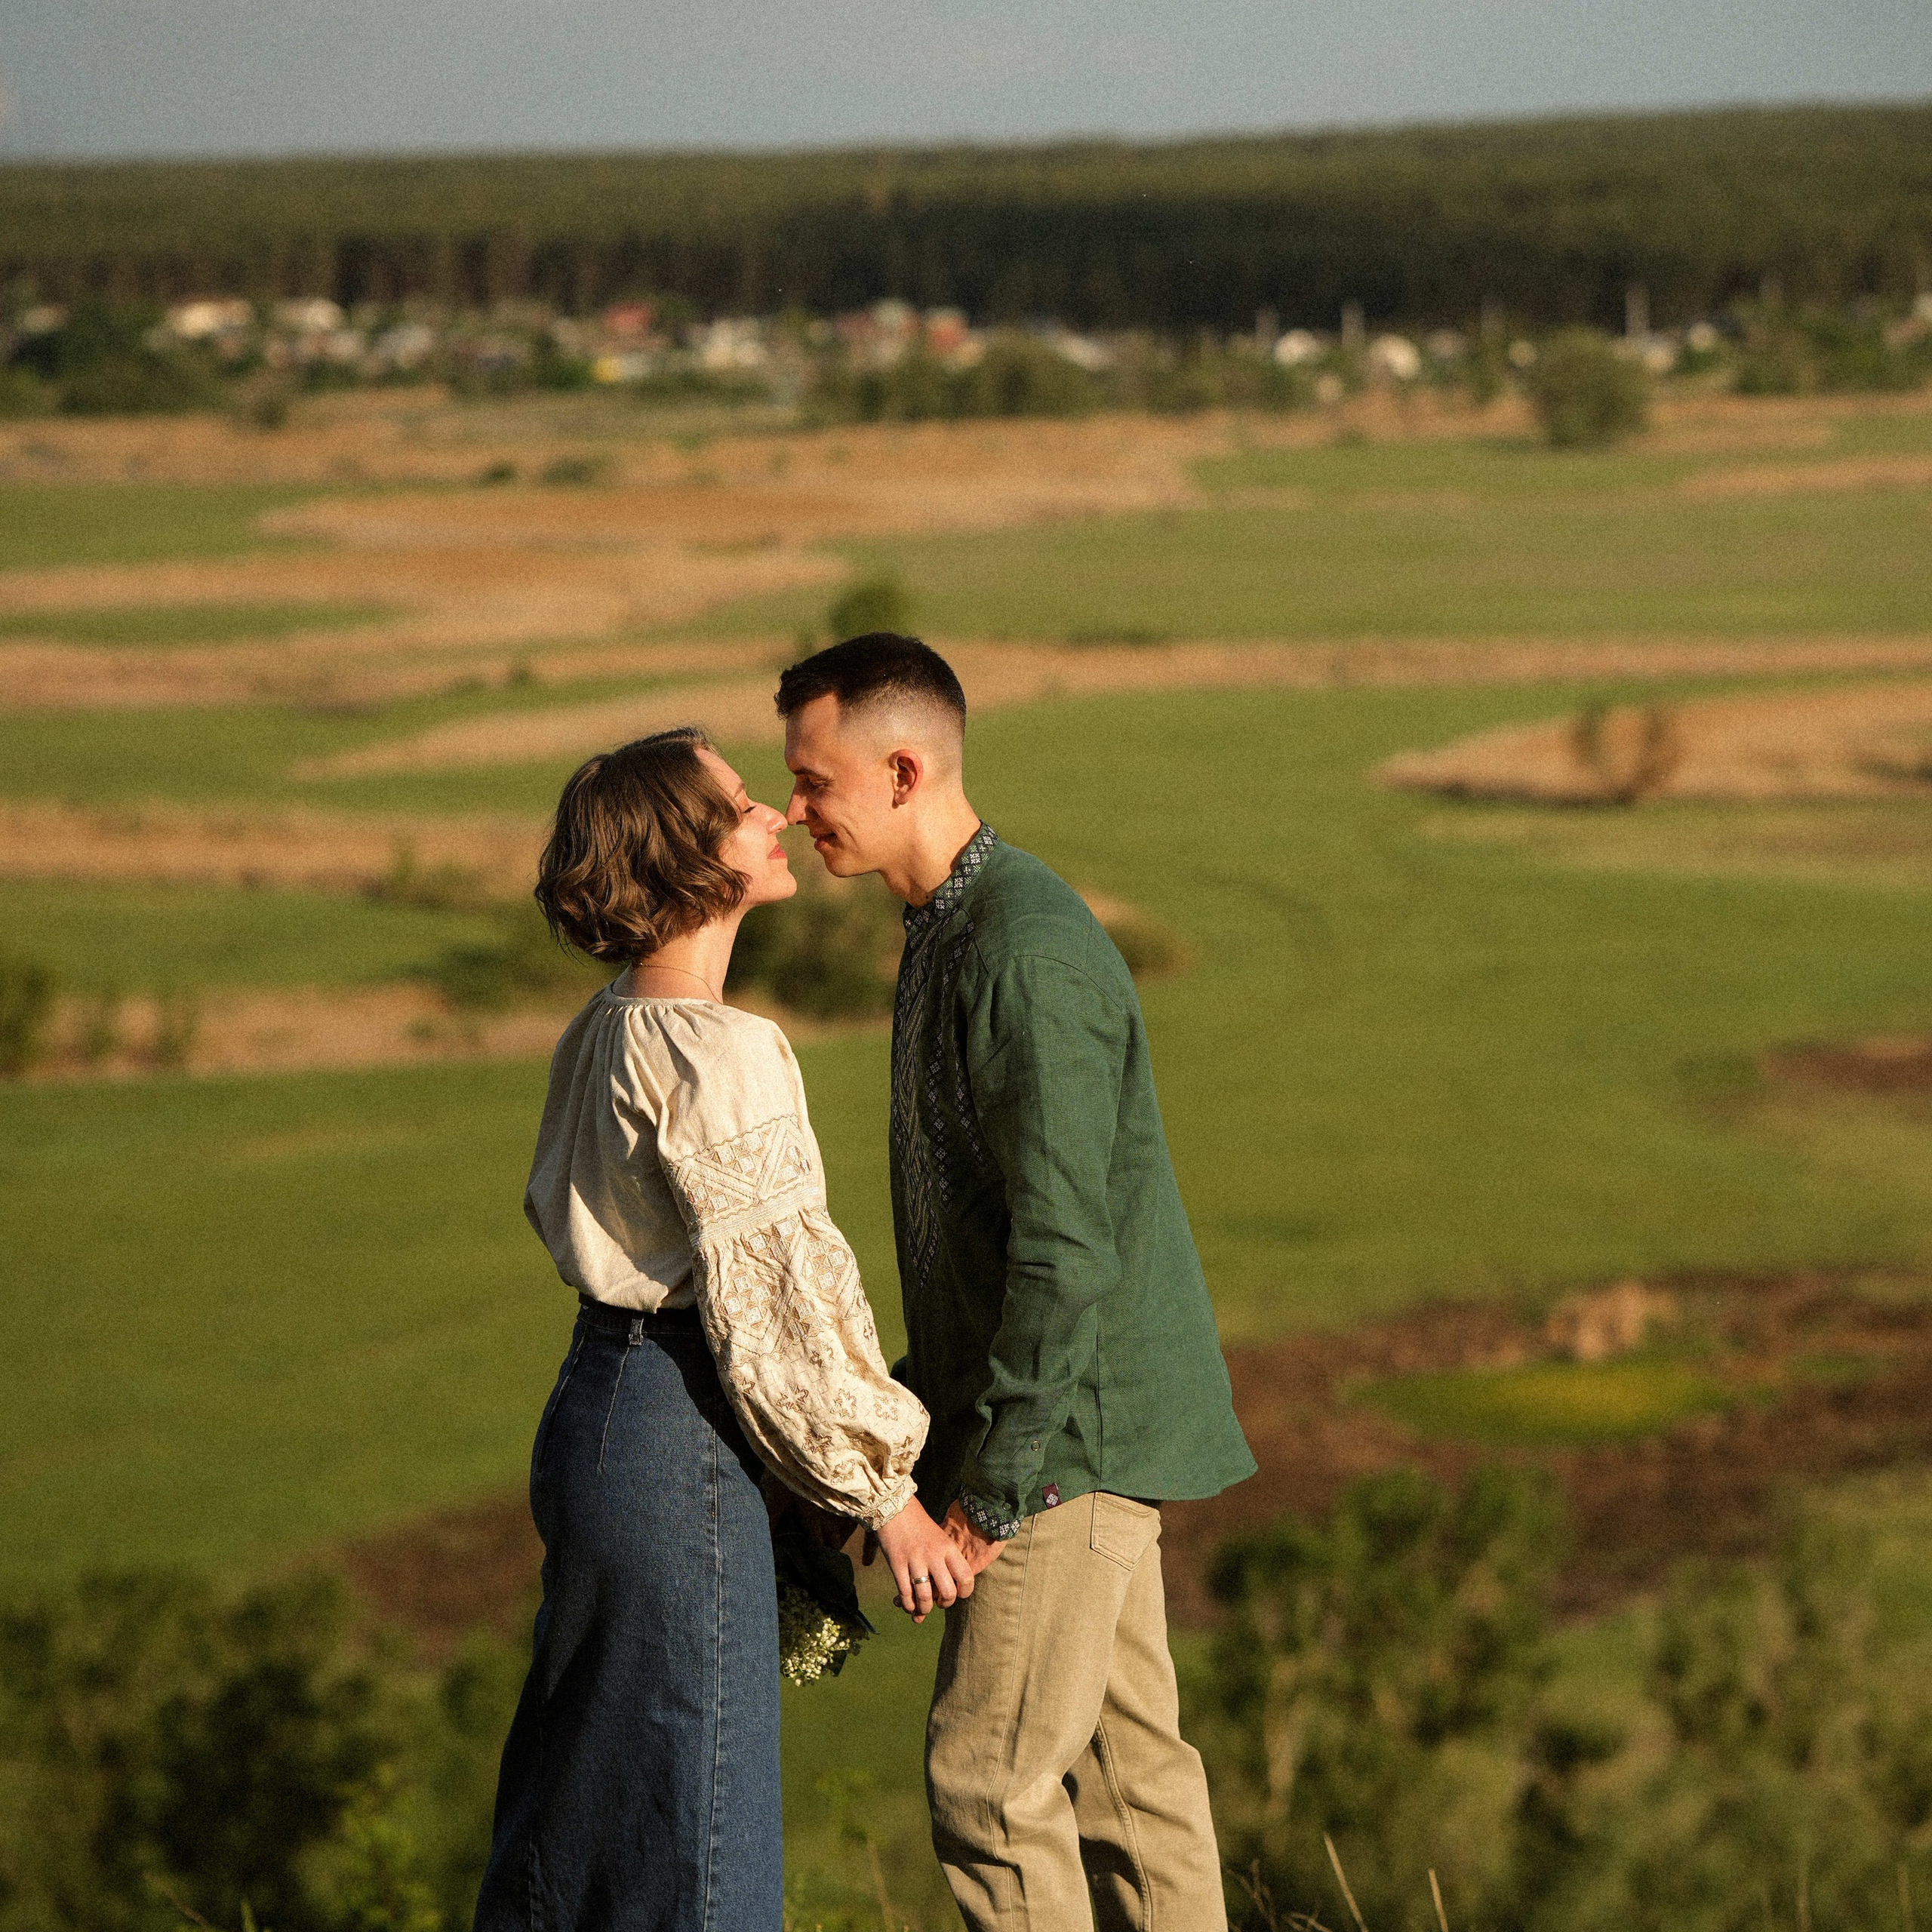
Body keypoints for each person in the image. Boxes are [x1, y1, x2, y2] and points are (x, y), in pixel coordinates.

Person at [778, 636, 1257, 1931]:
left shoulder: (1021, 952)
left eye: (815, 782)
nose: (796, 810)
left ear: (902, 770)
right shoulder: (951, 929)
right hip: (1059, 1434)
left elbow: (1062, 1251)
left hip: (1058, 1450)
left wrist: (987, 1495)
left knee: (988, 1787)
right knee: (1130, 1787)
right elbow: (985, 1246)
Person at [473, 727, 971, 1932]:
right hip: (682, 1423)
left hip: (597, 1410)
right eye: (743, 804)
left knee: (585, 1804)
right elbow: (780, 1302)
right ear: (688, 855)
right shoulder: (721, 1050)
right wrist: (883, 1496)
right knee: (694, 1822)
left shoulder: (604, 1027)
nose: (777, 815)